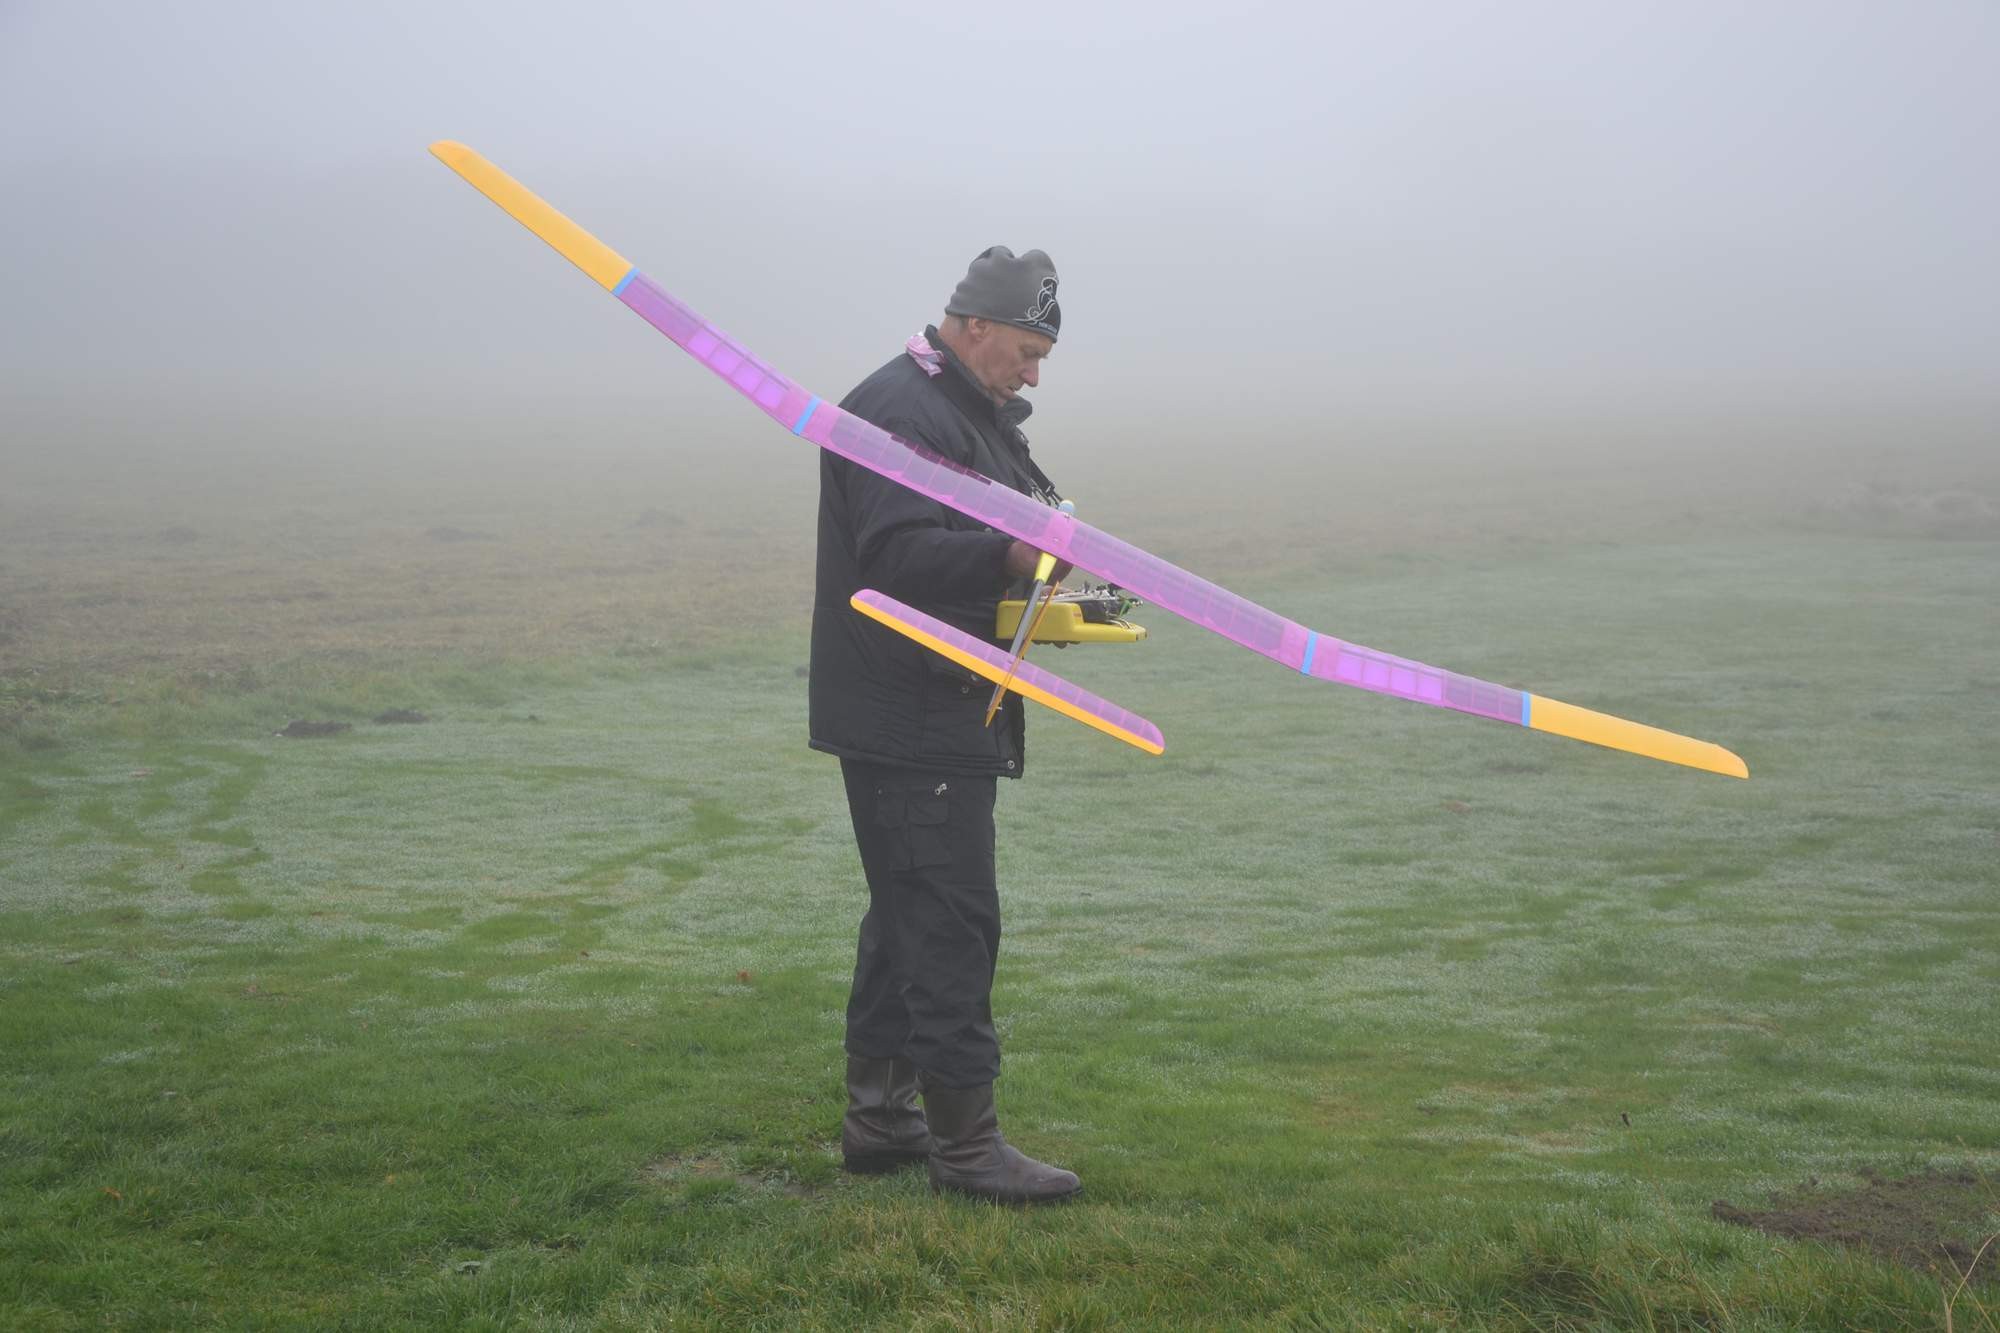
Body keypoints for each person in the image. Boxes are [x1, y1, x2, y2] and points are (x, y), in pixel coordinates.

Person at [808, 246, 1080, 1204]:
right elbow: (896, 553)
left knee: (907, 913)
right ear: (973, 326)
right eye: (1027, 351)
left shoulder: (964, 414)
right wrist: (1013, 556)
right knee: (950, 920)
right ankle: (968, 1147)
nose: (1034, 374)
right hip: (910, 708)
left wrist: (1044, 579)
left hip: (939, 699)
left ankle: (882, 1117)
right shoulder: (901, 410)